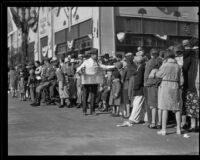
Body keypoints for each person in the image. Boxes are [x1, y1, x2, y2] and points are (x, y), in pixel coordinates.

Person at [76, 48, 115, 115]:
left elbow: (104, 67)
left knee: (93, 96)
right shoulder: (86, 62)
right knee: (85, 96)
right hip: (86, 81)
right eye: (95, 55)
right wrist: (81, 72)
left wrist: (113, 66)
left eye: (96, 55)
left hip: (94, 81)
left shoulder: (97, 62)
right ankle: (84, 111)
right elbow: (78, 69)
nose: (97, 56)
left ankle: (92, 110)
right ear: (92, 55)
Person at [152, 51, 183, 135]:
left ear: (166, 57)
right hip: (175, 85)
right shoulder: (177, 66)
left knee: (164, 108)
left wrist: (156, 71)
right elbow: (181, 78)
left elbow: (159, 75)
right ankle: (179, 129)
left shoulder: (165, 65)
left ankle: (164, 129)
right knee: (176, 108)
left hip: (166, 85)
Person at [117, 56, 145, 127]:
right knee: (140, 105)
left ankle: (132, 119)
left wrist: (134, 87)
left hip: (136, 88)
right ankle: (141, 118)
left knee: (136, 104)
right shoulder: (137, 67)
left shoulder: (140, 68)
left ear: (137, 61)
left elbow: (138, 79)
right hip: (138, 88)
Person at [182, 40, 199, 132]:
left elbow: (183, 69)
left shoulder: (188, 58)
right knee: (196, 105)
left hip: (190, 84)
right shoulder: (196, 58)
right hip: (195, 84)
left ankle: (192, 125)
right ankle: (196, 124)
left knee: (192, 105)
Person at [144, 48, 163, 129]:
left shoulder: (149, 62)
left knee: (151, 105)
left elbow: (146, 75)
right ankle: (159, 122)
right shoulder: (161, 62)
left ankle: (152, 122)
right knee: (159, 105)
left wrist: (146, 83)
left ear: (151, 54)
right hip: (161, 85)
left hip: (151, 85)